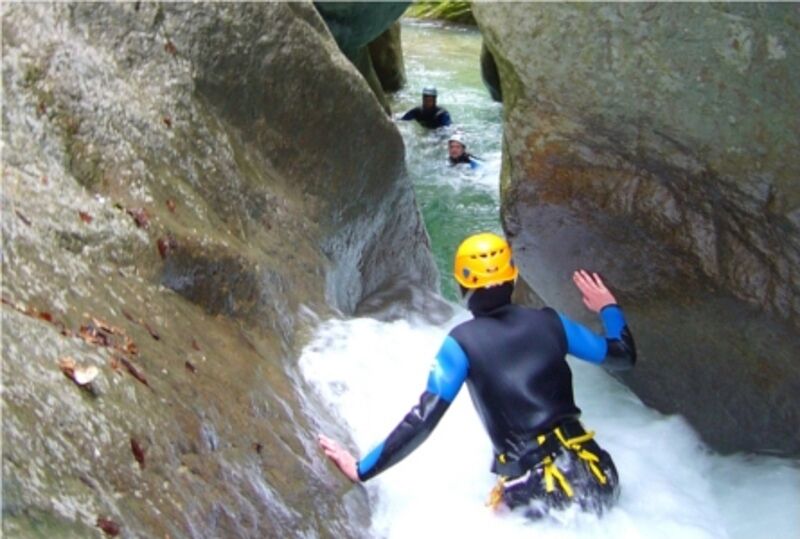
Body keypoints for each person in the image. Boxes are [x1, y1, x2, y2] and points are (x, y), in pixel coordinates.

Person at [319, 232, 636, 519]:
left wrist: (361, 470)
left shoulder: (461, 344)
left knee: (496, 512)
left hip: (538, 492)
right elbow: (622, 355)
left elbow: (423, 420)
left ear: (463, 287)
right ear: (512, 278)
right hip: (598, 473)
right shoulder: (552, 322)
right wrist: (608, 307)